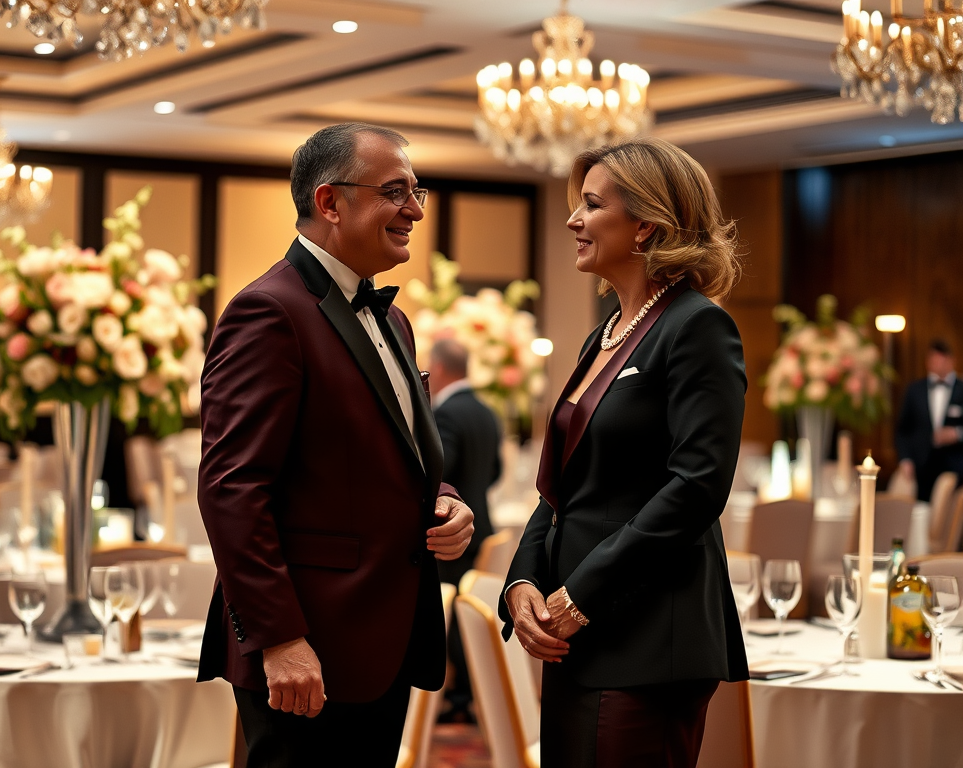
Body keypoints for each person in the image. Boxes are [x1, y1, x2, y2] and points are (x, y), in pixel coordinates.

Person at [196, 122, 474, 768]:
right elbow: (232, 490)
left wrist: (446, 501)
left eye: (416, 192)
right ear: (330, 203)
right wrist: (279, 639)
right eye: (395, 191)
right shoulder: (269, 311)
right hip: (307, 648)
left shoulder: (394, 319)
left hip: (384, 638)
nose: (414, 210)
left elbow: (400, 458)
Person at [498, 137, 748, 768]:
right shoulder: (604, 334)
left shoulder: (696, 326)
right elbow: (562, 487)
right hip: (579, 631)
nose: (572, 220)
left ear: (646, 226)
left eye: (591, 204)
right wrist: (524, 578)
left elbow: (697, 486)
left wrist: (582, 595)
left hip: (648, 635)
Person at [428, 337, 502, 722]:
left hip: (450, 527)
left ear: (438, 369)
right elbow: (495, 472)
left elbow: (439, 469)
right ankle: (468, 691)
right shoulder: (486, 411)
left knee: (453, 611)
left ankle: (461, 695)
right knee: (464, 608)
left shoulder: (446, 413)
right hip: (481, 524)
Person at [895, 338, 963, 503]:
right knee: (922, 512)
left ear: (951, 361)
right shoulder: (914, 390)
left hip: (956, 467)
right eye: (933, 360)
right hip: (922, 466)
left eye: (941, 360)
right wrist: (905, 459)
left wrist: (958, 433)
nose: (937, 364)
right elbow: (902, 429)